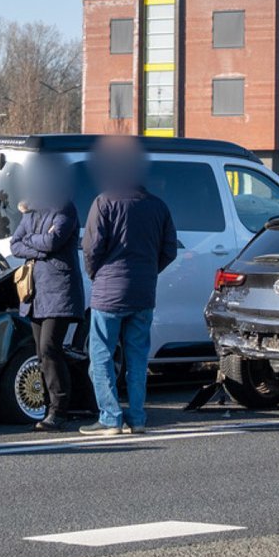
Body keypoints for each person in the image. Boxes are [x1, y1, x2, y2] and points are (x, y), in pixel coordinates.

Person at [80, 136, 177, 437]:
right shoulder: (158, 207)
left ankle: (110, 418)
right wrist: (149, 271)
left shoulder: (104, 202)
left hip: (109, 292)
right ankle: (137, 418)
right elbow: (169, 250)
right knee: (137, 358)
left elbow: (91, 247)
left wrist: (96, 274)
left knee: (101, 355)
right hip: (143, 292)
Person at [8, 154, 83, 431]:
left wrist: (35, 244)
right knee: (41, 352)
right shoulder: (32, 210)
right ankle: (54, 404)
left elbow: (53, 240)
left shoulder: (65, 208)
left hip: (59, 292)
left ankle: (58, 409)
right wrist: (39, 245)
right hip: (35, 293)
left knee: (50, 349)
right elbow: (15, 245)